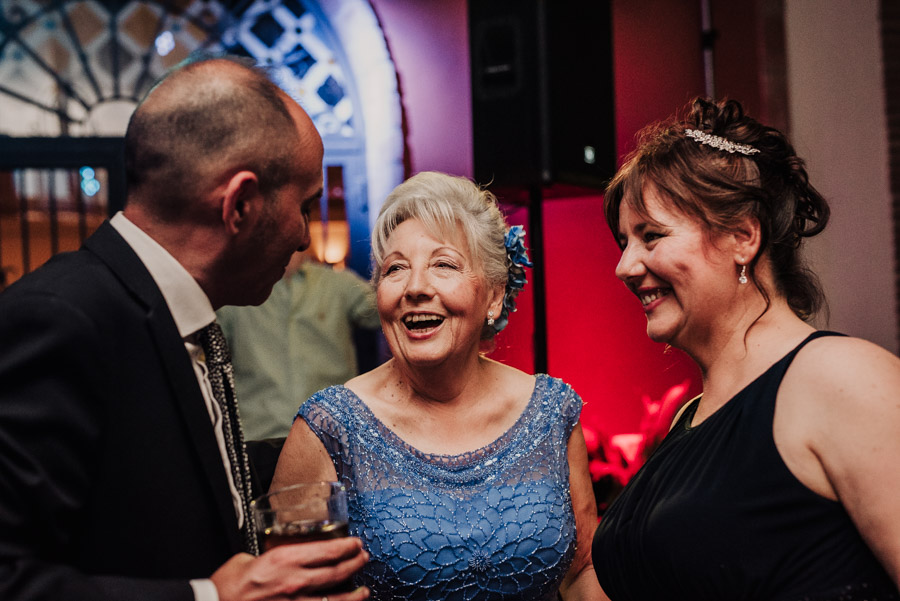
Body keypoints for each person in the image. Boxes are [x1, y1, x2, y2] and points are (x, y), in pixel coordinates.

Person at [0, 56, 369, 601]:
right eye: (305, 206)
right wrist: (211, 598)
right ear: (240, 205)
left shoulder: (178, 316)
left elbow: (182, 472)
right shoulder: (61, 318)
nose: (302, 237)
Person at [591, 97, 900, 600]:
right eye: (624, 242)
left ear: (742, 237)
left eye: (651, 236)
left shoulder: (843, 378)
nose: (625, 266)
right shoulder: (690, 419)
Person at [270, 171, 603, 601]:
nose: (415, 288)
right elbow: (284, 591)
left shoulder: (550, 413)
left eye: (443, 265)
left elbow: (582, 571)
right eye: (396, 269)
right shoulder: (329, 428)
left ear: (495, 296)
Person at [217, 248, 380, 441]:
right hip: (258, 437)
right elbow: (207, 351)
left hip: (334, 436)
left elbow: (387, 312)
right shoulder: (236, 292)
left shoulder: (337, 284)